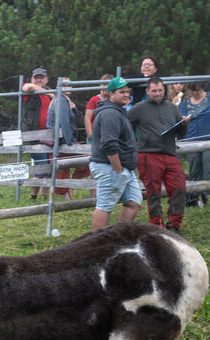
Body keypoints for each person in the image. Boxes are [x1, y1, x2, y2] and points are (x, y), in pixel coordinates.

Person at [129, 76, 190, 231]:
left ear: (164, 90)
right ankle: (156, 225)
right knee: (153, 191)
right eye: (154, 91)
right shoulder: (139, 108)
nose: (157, 93)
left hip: (169, 153)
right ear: (147, 91)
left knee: (179, 188)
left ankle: (174, 224)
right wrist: (132, 142)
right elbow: (124, 124)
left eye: (160, 90)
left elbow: (181, 134)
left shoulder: (172, 107)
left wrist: (183, 125)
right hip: (148, 154)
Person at [89, 77, 142, 230]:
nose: (126, 95)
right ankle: (95, 245)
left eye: (127, 92)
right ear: (111, 94)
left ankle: (119, 239)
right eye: (122, 92)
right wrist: (118, 170)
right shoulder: (110, 114)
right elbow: (109, 145)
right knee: (105, 206)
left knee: (133, 202)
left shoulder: (119, 111)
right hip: (110, 167)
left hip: (124, 167)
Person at [45, 80, 90, 201]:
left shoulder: (64, 100)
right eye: (65, 85)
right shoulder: (61, 100)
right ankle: (69, 188)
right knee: (89, 159)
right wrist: (70, 143)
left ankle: (67, 195)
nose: (68, 87)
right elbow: (63, 122)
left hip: (61, 140)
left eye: (70, 85)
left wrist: (74, 109)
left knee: (63, 169)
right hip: (62, 141)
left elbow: (71, 120)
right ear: (59, 87)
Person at [20, 68, 53, 200]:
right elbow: (27, 88)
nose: (38, 80)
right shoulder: (30, 90)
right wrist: (50, 92)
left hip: (50, 133)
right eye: (36, 77)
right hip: (34, 133)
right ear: (32, 78)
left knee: (49, 165)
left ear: (47, 79)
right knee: (41, 165)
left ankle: (43, 196)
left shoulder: (50, 93)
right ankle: (33, 196)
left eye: (41, 77)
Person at [180, 80, 209, 208]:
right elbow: (179, 116)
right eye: (193, 90)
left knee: (207, 165)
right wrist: (182, 120)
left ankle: (206, 194)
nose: (196, 93)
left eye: (198, 90)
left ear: (203, 88)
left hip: (208, 138)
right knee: (194, 168)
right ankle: (195, 196)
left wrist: (196, 117)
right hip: (191, 139)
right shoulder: (184, 103)